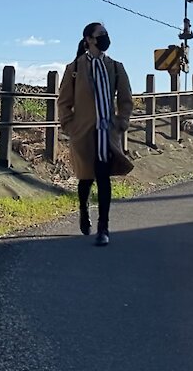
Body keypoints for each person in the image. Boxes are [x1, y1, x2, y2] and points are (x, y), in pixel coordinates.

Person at [57, 22, 134, 246]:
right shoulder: (75, 68)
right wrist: (69, 126)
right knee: (85, 179)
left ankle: (104, 228)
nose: (105, 38)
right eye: (100, 35)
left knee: (103, 178)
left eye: (106, 34)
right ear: (89, 39)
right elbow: (64, 102)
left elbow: (126, 98)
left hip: (106, 133)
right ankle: (83, 209)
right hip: (84, 133)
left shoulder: (116, 66)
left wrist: (121, 122)